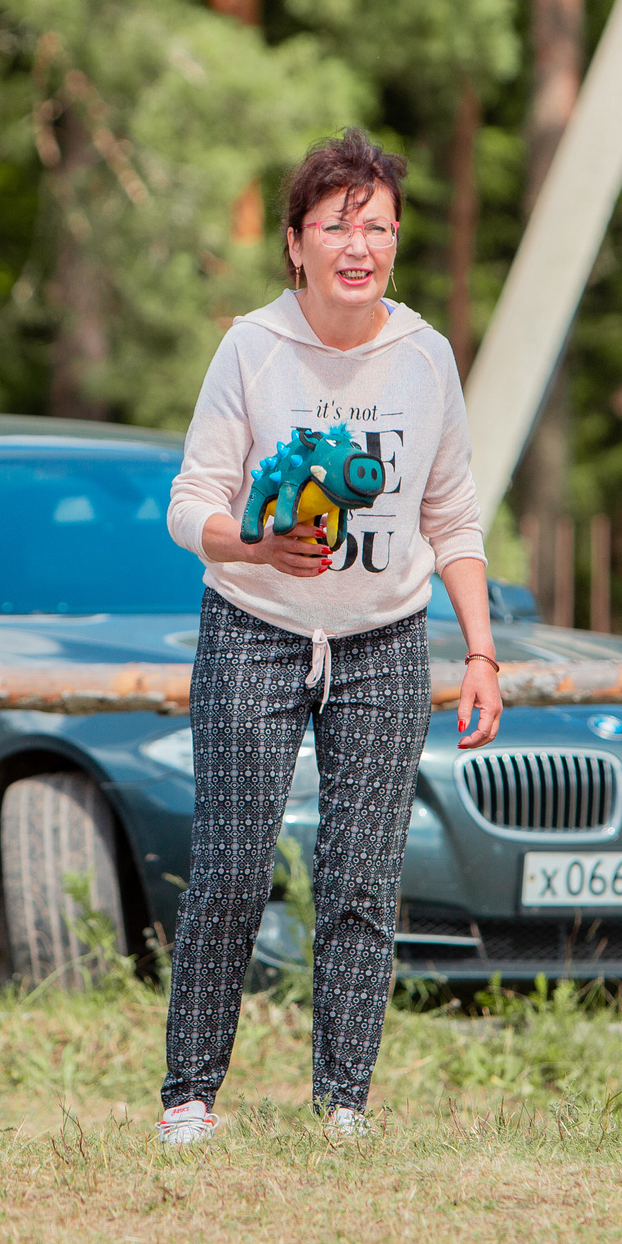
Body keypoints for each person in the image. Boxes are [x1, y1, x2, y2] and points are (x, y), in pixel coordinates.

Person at [158, 128, 503, 1145]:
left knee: (361, 877)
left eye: (380, 228)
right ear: (296, 243)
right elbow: (189, 507)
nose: (361, 247)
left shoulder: (426, 356)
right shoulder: (250, 348)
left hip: (385, 641)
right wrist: (255, 545)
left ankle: (343, 1103)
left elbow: (453, 518)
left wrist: (479, 651)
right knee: (229, 866)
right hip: (252, 629)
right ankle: (189, 1097)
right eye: (338, 227)